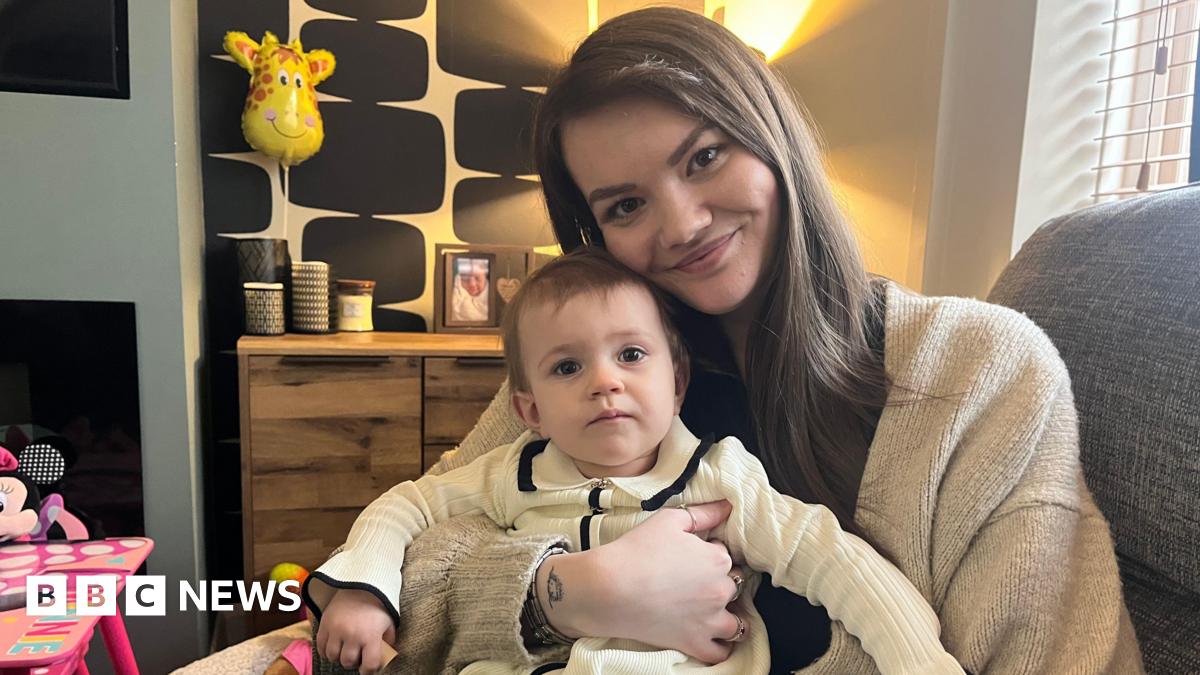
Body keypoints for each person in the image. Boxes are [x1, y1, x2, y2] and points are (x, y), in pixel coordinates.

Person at [313, 7, 1142, 674]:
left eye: (705, 156)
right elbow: (410, 572)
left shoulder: (985, 372)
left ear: (770, 132)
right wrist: (564, 592)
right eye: (625, 205)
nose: (682, 224)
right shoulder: (590, 368)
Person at [304, 250, 965, 675]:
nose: (604, 381)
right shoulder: (514, 471)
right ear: (530, 410)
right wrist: (364, 589)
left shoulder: (718, 477)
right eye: (568, 366)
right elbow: (408, 503)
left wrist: (922, 661)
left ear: (677, 381)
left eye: (630, 355)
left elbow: (834, 558)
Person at [451, 257, 490, 322]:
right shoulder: (455, 291)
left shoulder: (491, 297)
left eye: (477, 278)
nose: (472, 284)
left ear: (485, 277)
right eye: (465, 279)